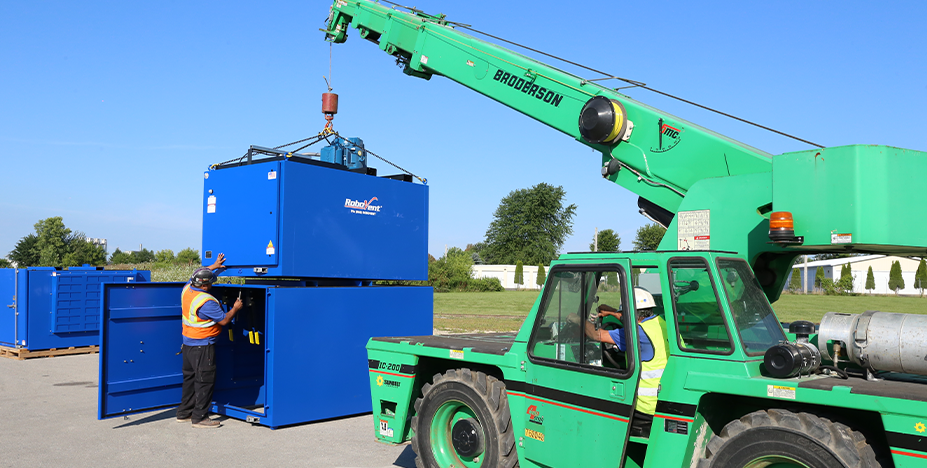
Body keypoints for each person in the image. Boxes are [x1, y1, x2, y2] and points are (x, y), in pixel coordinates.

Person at [583, 287, 669, 437]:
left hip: (645, 408)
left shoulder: (636, 334)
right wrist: (611, 312)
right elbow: (631, 319)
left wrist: (578, 319)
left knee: (601, 409)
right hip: (664, 398)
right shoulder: (662, 324)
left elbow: (596, 335)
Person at [176, 253, 242, 428]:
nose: (213, 284)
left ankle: (184, 413)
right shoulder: (206, 302)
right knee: (204, 381)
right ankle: (199, 418)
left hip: (188, 345)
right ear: (205, 285)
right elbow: (224, 320)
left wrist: (214, 266)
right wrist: (235, 308)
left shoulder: (187, 289)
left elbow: (199, 273)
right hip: (202, 347)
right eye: (211, 282)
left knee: (190, 379)